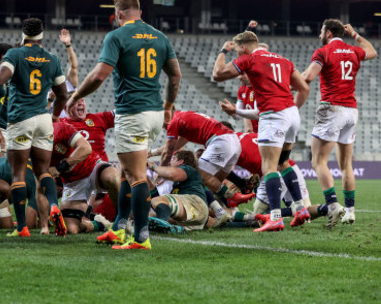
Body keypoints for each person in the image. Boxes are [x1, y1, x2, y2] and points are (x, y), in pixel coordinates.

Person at [66, 0, 182, 250]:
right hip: (152, 113)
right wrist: (168, 107)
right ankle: (118, 228)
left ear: (119, 14)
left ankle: (141, 237)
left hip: (132, 112)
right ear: (139, 12)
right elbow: (175, 76)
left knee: (136, 175)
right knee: (125, 174)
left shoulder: (117, 36)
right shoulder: (159, 36)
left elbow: (98, 76)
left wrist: (75, 95)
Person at [212, 30, 310, 232]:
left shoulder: (248, 59)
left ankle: (275, 217)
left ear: (242, 47)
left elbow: (218, 74)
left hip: (273, 116)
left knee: (269, 168)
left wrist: (223, 51)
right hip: (291, 113)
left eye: (238, 51)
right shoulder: (283, 60)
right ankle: (300, 208)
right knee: (283, 162)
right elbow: (304, 89)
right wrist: (290, 110)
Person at [0, 18, 69, 237]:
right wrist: (55, 115)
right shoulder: (52, 58)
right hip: (43, 119)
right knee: (42, 171)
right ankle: (55, 205)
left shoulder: (15, 54)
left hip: (20, 119)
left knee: (18, 174)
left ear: (23, 34)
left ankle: (21, 228)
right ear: (42, 35)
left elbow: (0, 78)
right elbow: (63, 94)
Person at [302, 19, 377, 227]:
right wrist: (355, 34)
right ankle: (351, 212)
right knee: (346, 165)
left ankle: (334, 205)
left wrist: (289, 80)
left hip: (332, 108)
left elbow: (308, 77)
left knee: (318, 161)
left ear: (327, 33)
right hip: (351, 111)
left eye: (321, 31)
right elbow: (372, 51)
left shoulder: (323, 52)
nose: (319, 35)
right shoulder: (353, 51)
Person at [50, 121, 120, 235]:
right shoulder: (34, 150)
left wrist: (60, 167)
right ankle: (100, 224)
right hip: (73, 183)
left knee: (113, 178)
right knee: (71, 229)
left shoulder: (60, 127)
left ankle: (121, 219)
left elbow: (86, 148)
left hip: (93, 168)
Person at [148, 151, 209, 232]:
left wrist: (154, 167)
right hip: (194, 214)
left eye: (173, 159)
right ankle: (173, 228)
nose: (170, 162)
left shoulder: (187, 168)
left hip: (194, 204)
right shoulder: (181, 183)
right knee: (152, 214)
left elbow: (172, 175)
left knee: (158, 204)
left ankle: (161, 224)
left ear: (181, 162)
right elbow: (158, 204)